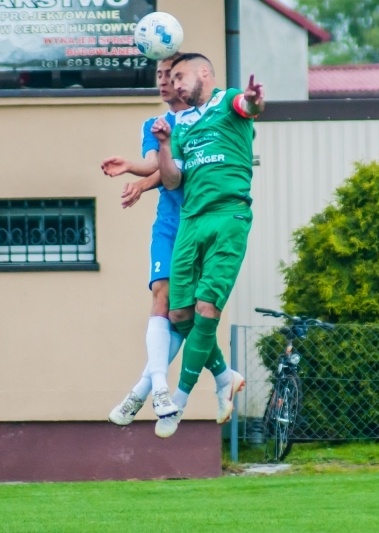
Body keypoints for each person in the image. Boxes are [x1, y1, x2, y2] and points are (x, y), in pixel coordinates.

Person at [103, 54, 240, 430]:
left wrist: (143, 181)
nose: (164, 82)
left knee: (188, 315)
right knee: (162, 297)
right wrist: (134, 168)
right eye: (159, 76)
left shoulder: (209, 117)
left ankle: (144, 389)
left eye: (170, 75)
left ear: (189, 78)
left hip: (203, 219)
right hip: (170, 223)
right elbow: (159, 166)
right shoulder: (156, 124)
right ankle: (161, 386)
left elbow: (172, 175)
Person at [151, 53, 264, 438]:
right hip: (191, 222)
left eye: (180, 76)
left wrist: (253, 98)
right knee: (179, 316)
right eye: (171, 78)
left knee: (206, 307)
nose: (175, 83)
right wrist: (165, 144)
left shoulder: (229, 101)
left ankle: (178, 403)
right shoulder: (181, 126)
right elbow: (170, 181)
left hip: (227, 217)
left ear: (204, 73)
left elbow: (248, 105)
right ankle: (223, 377)